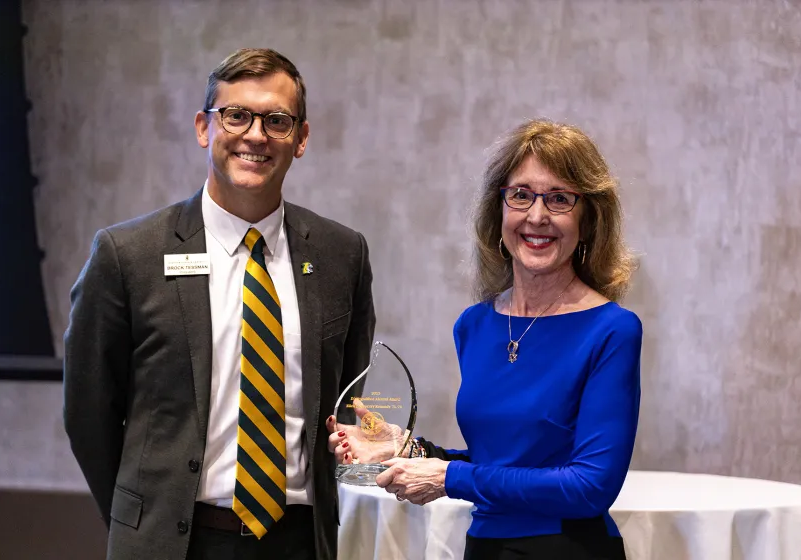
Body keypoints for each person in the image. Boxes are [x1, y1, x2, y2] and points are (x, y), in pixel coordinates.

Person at [64, 48, 375, 560]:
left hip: (300, 541)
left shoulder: (342, 255)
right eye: (236, 115)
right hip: (173, 542)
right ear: (204, 128)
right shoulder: (129, 255)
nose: (256, 135)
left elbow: (347, 397)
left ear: (301, 139)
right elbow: (88, 411)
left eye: (277, 120)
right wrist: (139, 514)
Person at [327, 120, 641, 559]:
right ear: (499, 212)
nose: (537, 215)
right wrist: (406, 449)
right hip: (485, 547)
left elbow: (589, 488)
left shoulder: (612, 330)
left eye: (560, 199)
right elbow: (501, 460)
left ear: (588, 220)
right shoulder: (474, 325)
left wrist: (446, 478)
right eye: (521, 195)